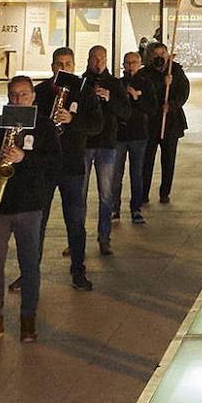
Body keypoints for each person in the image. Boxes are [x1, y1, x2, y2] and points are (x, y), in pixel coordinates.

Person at [0, 76, 60, 344]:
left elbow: (55, 163)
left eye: (23, 94)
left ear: (33, 97)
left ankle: (28, 319)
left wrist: (25, 158)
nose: (18, 99)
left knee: (30, 265)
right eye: (13, 95)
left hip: (30, 206)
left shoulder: (44, 127)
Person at [33, 47, 102, 291]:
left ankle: (78, 270)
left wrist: (73, 120)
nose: (64, 67)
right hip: (45, 167)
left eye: (68, 63)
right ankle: (30, 272)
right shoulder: (40, 92)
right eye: (59, 63)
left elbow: (96, 125)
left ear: (74, 66)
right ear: (52, 66)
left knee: (75, 221)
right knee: (37, 221)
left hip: (72, 165)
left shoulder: (84, 93)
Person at [81, 45, 131, 255]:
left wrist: (109, 98)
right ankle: (76, 239)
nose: (98, 62)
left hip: (107, 144)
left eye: (102, 59)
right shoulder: (82, 83)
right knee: (78, 194)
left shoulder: (116, 84)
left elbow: (126, 112)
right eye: (94, 58)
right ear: (89, 60)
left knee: (106, 194)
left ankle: (104, 237)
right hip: (84, 144)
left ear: (107, 60)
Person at [140, 42, 190, 205]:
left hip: (171, 123)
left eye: (163, 54)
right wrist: (163, 83)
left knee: (168, 160)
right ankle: (143, 193)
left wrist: (173, 104)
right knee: (146, 160)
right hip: (150, 123)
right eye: (156, 54)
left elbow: (183, 92)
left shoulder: (176, 71)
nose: (160, 57)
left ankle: (164, 193)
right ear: (150, 57)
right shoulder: (145, 74)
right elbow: (145, 93)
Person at [114, 51, 157, 224]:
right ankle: (114, 208)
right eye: (127, 62)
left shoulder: (146, 84)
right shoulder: (118, 84)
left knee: (136, 173)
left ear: (139, 64)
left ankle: (136, 208)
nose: (130, 65)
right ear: (123, 65)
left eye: (134, 62)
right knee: (116, 174)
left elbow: (151, 108)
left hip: (138, 134)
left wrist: (136, 98)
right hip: (120, 135)